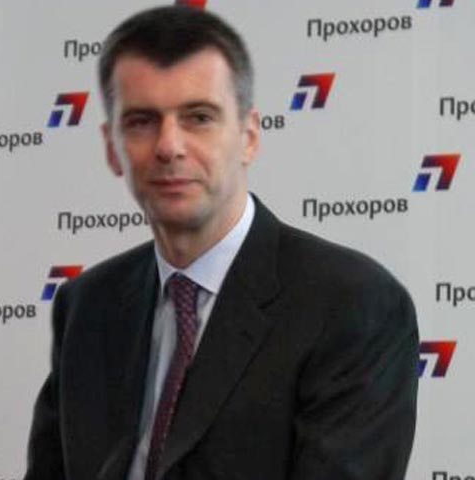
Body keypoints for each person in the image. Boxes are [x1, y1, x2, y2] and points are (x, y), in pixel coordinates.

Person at [24, 6, 418, 480]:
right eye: (142, 121)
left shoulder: (353, 305)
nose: (169, 146)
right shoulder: (86, 306)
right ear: (112, 148)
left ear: (248, 137)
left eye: (199, 117)